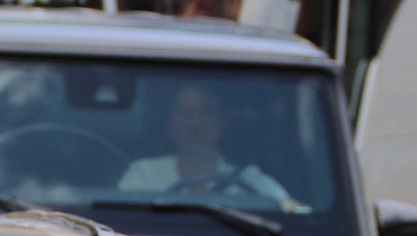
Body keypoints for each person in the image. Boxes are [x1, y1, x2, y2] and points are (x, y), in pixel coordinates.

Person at [116, 82, 301, 211]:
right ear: (170, 125)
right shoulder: (143, 174)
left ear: (220, 124)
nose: (196, 123)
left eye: (207, 112)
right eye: (186, 113)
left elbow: (294, 210)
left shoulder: (248, 178)